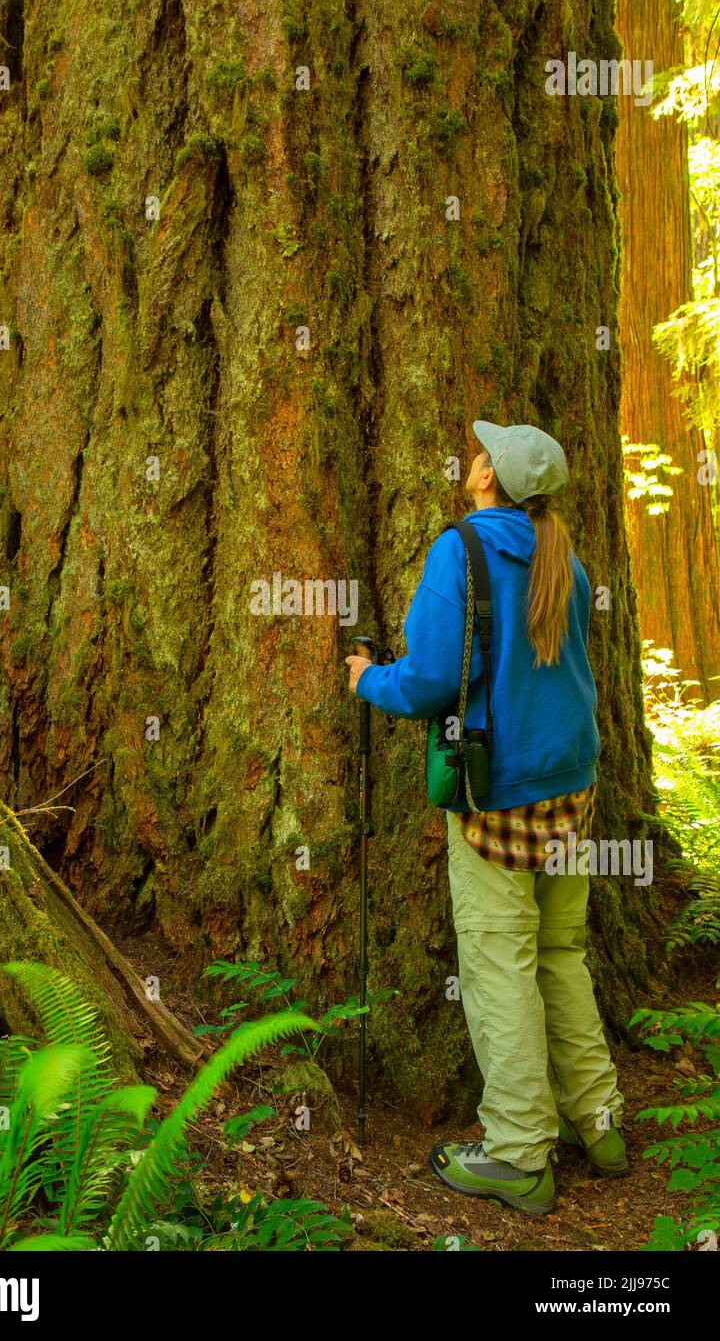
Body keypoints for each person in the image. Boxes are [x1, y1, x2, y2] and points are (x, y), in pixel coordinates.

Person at [345, 420, 626, 1216]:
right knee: (561, 952)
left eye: (480, 453)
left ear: (487, 478)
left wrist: (368, 678)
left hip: (499, 792)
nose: (472, 457)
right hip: (573, 784)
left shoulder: (461, 550)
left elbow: (433, 680)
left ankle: (517, 1154)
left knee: (502, 965)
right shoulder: (560, 556)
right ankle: (597, 1123)